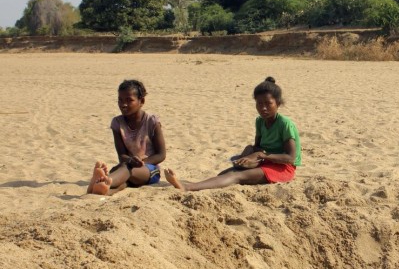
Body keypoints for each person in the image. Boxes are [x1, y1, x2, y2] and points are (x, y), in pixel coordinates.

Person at [165, 76, 301, 191]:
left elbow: (290, 158)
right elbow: (258, 147)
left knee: (237, 177)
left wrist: (260, 155)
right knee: (226, 173)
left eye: (268, 103)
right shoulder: (260, 121)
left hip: (283, 168)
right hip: (267, 162)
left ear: (278, 103)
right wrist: (249, 155)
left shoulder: (285, 124)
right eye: (259, 104)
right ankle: (193, 186)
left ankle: (187, 187)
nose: (263, 108)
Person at [87, 79, 166, 195]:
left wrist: (141, 162)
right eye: (120, 100)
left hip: (150, 170)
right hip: (127, 166)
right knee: (122, 180)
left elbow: (161, 154)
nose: (123, 104)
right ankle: (100, 190)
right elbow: (121, 155)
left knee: (125, 171)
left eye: (129, 100)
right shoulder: (117, 123)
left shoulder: (152, 122)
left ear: (141, 101)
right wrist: (130, 161)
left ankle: (105, 181)